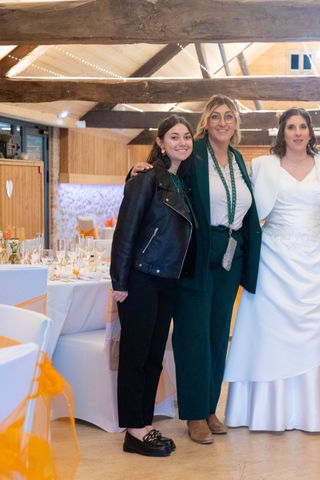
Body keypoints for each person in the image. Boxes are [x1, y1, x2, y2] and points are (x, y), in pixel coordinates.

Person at [130, 95, 261, 444]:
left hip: (231, 254)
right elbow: (163, 175)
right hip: (197, 253)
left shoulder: (236, 158)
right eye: (215, 116)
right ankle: (192, 413)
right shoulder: (194, 153)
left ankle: (209, 407)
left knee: (219, 335)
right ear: (206, 121)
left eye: (229, 116)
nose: (222, 122)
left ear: (236, 123)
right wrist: (138, 169)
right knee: (193, 335)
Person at [224, 107, 320, 432]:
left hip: (317, 261)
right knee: (271, 335)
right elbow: (244, 206)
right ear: (282, 133)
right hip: (274, 261)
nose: (298, 132)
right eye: (291, 127)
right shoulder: (262, 166)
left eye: (303, 127)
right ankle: (266, 412)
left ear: (310, 132)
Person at [110, 114, 195, 457]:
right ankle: (134, 428)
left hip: (167, 280)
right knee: (135, 355)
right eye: (174, 137)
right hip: (142, 277)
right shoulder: (146, 179)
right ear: (160, 142)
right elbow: (125, 230)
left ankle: (142, 422)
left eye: (186, 136)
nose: (182, 142)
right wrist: (120, 279)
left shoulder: (180, 182)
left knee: (154, 357)